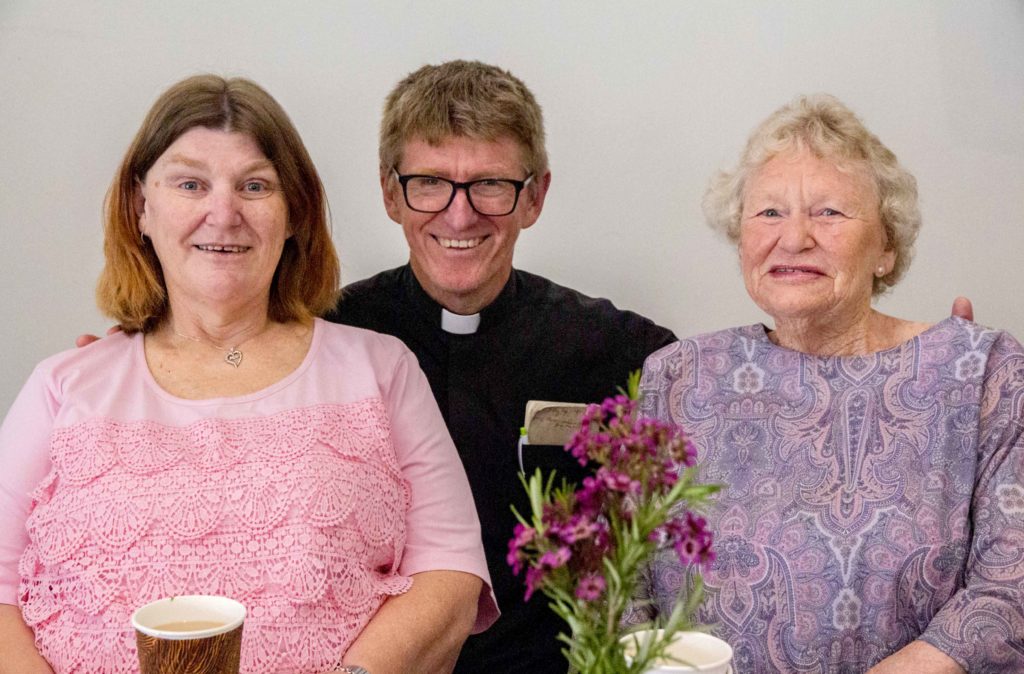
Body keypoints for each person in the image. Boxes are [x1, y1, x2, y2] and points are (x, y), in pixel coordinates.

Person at [0, 75, 496, 674]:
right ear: (141, 207)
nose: (223, 212)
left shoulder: (381, 370)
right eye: (190, 183)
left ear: (294, 214)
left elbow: (449, 575)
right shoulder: (63, 386)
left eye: (255, 185)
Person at [629, 94, 1024, 673]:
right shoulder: (677, 378)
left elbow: (1009, 586)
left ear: (886, 247)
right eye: (768, 214)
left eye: (829, 213)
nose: (793, 239)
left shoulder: (982, 370)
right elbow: (622, 582)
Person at [326, 61, 679, 673]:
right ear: (390, 194)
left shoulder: (619, 350)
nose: (460, 216)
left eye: (490, 184)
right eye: (430, 183)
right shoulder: (327, 336)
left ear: (535, 197)